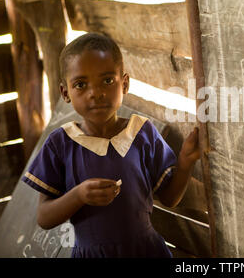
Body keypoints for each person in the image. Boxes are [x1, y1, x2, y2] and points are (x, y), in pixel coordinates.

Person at [21, 32, 201, 258]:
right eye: (81, 84)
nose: (95, 93)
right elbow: (44, 218)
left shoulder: (141, 133)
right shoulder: (61, 144)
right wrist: (78, 196)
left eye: (107, 80)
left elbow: (169, 199)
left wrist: (185, 161)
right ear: (65, 93)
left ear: (124, 84)